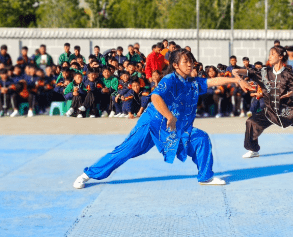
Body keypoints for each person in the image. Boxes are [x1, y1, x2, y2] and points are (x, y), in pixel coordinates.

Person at [72, 49, 254, 189]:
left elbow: (213, 81)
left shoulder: (193, 83)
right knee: (125, 151)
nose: (190, 64)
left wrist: (237, 81)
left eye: (192, 61)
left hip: (172, 127)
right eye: (186, 61)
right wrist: (169, 115)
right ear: (176, 65)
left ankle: (205, 176)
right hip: (152, 123)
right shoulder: (169, 79)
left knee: (201, 138)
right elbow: (155, 97)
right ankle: (88, 174)